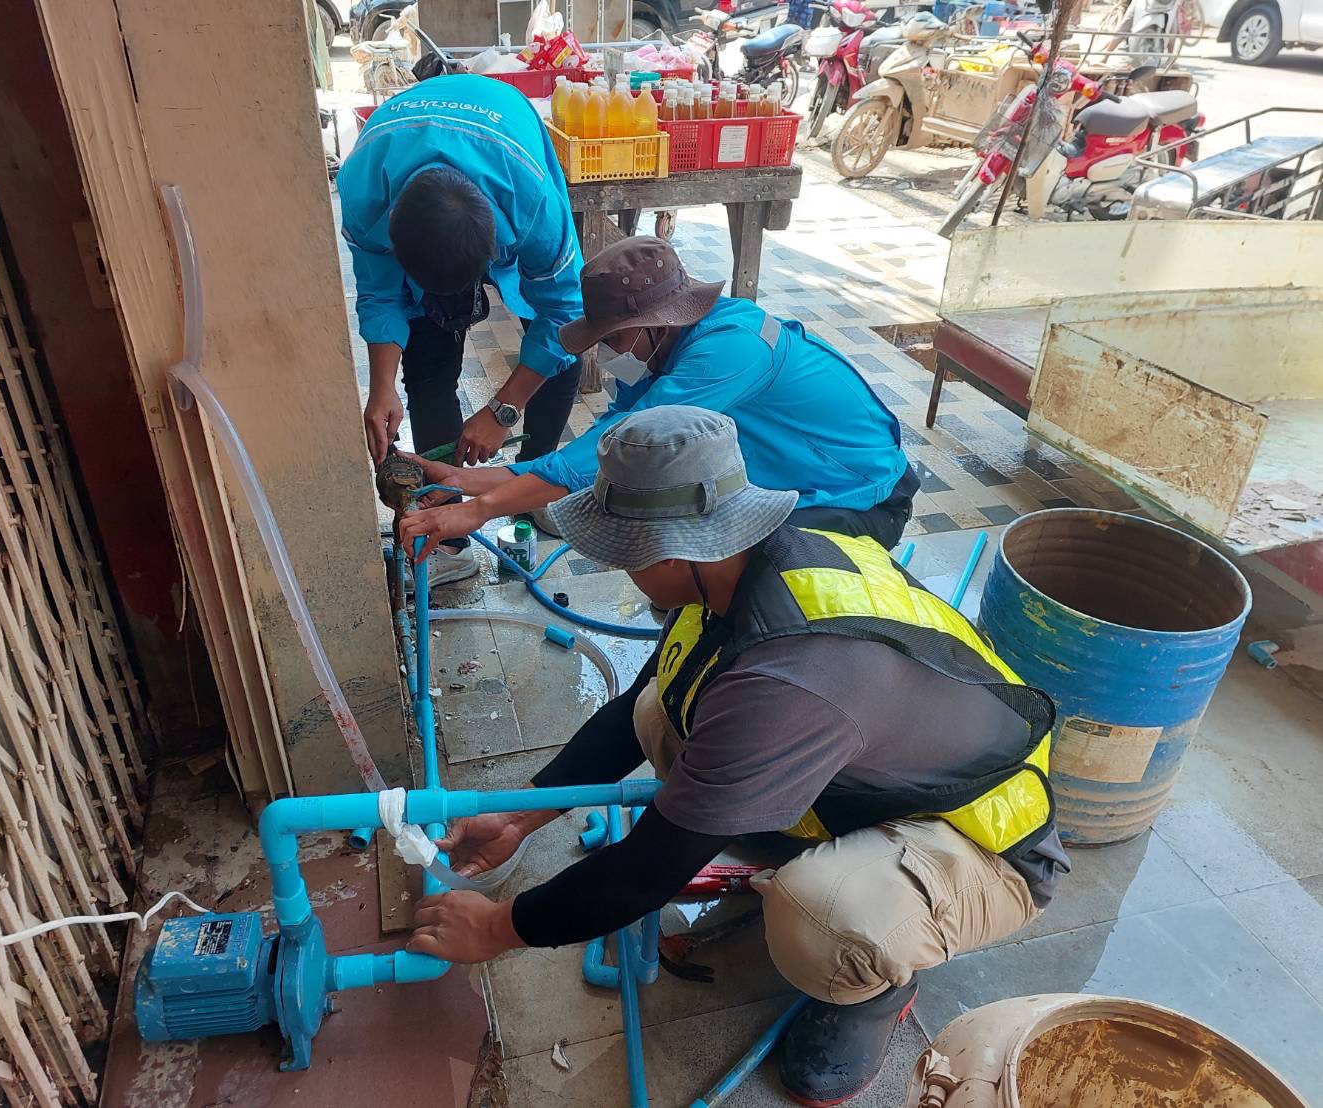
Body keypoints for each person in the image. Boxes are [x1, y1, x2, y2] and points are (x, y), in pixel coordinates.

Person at [404, 407, 1069, 1107]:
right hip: (877, 769)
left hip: (984, 844)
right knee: (660, 707)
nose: (621, 570)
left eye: (622, 553)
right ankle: (788, 841)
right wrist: (522, 816)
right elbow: (634, 709)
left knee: (822, 915)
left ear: (670, 553)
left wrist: (496, 928)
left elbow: (647, 870)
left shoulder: (789, 678)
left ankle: (874, 988)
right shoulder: (742, 562)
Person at [398, 236, 920, 563]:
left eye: (614, 338)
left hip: (856, 497)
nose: (607, 352)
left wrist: (481, 511)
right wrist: (465, 481)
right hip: (791, 481)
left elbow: (609, 453)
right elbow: (608, 443)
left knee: (744, 578)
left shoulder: (728, 350)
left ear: (657, 324)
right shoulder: (670, 349)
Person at [340, 73, 584, 583]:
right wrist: (381, 388)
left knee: (560, 354)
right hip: (401, 144)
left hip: (505, 132)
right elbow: (381, 293)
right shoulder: (365, 189)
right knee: (427, 368)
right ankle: (448, 542)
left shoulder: (532, 200)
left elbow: (566, 313)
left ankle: (534, 483)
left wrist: (502, 410)